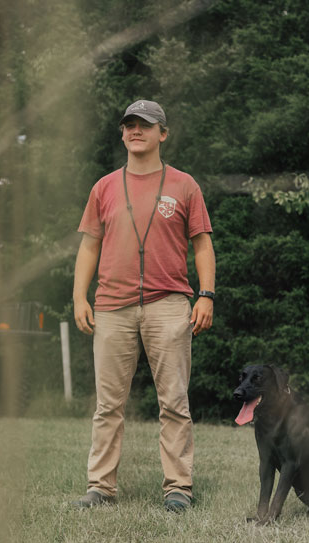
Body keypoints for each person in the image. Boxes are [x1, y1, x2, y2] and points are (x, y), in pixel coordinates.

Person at [73, 100, 215, 512]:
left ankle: (178, 488)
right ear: (122, 133)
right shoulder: (103, 187)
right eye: (129, 125)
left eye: (145, 125)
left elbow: (202, 243)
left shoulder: (184, 185)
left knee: (174, 401)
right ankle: (100, 487)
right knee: (107, 405)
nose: (136, 130)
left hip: (169, 303)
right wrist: (79, 297)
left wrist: (206, 293)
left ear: (162, 134)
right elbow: (89, 245)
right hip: (112, 307)